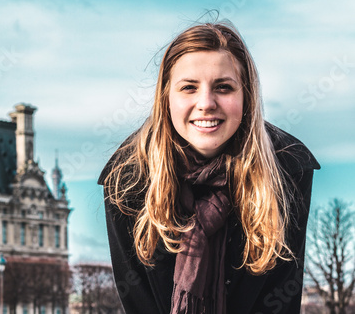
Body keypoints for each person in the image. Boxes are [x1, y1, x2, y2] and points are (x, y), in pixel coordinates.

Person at [98, 21, 320, 314]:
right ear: (166, 99)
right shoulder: (128, 176)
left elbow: (280, 296)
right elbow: (139, 302)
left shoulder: (288, 167)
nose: (206, 103)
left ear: (247, 97)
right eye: (189, 88)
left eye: (223, 87)